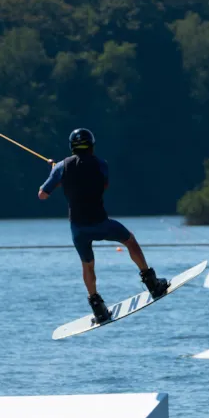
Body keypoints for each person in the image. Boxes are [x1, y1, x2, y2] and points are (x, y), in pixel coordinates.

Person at [38, 128, 169, 323]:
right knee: (130, 241)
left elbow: (42, 194)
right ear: (91, 146)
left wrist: (56, 173)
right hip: (100, 222)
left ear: (71, 147)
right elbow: (103, 186)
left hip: (79, 228)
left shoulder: (61, 168)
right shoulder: (101, 165)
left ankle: (98, 309)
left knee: (88, 265)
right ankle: (152, 283)